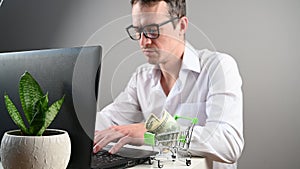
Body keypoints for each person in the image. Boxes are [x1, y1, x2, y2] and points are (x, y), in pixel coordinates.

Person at [94, 0, 244, 168]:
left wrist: (155, 132)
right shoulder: (141, 78)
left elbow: (228, 143)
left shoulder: (218, 67)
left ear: (181, 26)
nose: (144, 42)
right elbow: (108, 122)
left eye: (152, 30)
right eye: (138, 31)